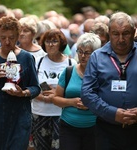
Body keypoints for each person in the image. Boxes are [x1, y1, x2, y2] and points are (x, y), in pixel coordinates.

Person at [81, 11, 137, 150]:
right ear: (109, 34)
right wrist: (112, 113)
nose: (121, 39)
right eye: (115, 34)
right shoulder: (97, 57)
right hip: (106, 130)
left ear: (134, 32)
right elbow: (87, 93)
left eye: (126, 33)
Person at [0, 16, 41, 149]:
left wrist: (22, 93)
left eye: (11, 38)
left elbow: (36, 87)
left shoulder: (26, 58)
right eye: (3, 37)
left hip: (19, 116)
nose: (6, 42)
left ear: (18, 36)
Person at [52, 32, 101, 150]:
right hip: (69, 127)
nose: (82, 56)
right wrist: (72, 102)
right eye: (80, 51)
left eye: (87, 53)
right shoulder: (68, 71)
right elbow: (55, 98)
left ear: (96, 54)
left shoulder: (102, 74)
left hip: (94, 128)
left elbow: (109, 98)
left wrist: (91, 104)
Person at [31, 28, 77, 150]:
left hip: (61, 114)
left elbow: (75, 89)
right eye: (47, 41)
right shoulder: (37, 62)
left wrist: (55, 96)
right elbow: (30, 86)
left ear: (61, 43)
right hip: (40, 113)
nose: (51, 44)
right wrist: (45, 98)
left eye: (54, 41)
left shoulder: (70, 63)